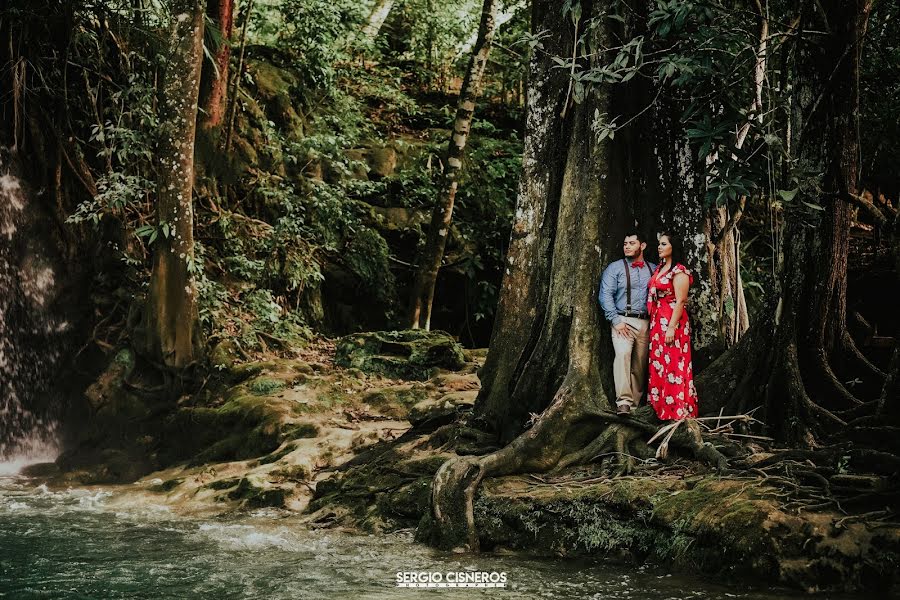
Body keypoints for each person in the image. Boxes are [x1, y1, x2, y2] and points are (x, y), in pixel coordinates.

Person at [599, 231, 657, 415]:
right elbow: (605, 295)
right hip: (622, 320)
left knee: (640, 365)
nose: (627, 246)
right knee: (622, 355)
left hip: (646, 323)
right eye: (625, 243)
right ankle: (623, 401)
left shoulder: (654, 269)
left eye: (632, 243)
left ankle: (635, 405)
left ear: (643, 246)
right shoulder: (614, 268)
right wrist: (615, 320)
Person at [646, 232, 698, 420]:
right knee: (659, 363)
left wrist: (671, 327)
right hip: (657, 321)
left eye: (663, 244)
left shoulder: (679, 271)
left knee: (673, 364)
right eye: (659, 244)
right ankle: (659, 407)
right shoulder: (660, 268)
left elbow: (681, 300)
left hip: (672, 321)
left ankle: (675, 410)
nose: (659, 247)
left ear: (673, 247)